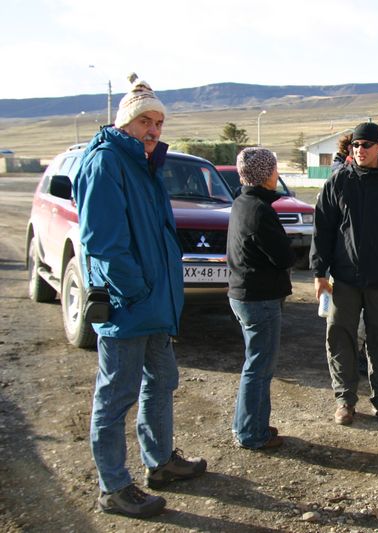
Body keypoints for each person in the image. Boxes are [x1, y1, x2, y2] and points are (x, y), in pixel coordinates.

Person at [72, 74, 206, 519]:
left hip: (154, 304)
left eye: (159, 123)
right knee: (116, 396)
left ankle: (160, 461)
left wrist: (158, 294)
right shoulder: (106, 163)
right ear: (125, 122)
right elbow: (104, 243)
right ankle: (113, 487)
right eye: (145, 121)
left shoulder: (145, 164)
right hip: (130, 305)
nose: (153, 131)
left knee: (163, 382)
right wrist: (135, 292)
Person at [311, 122, 378, 426]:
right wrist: (320, 272)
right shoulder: (338, 182)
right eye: (356, 145)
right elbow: (323, 230)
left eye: (367, 145)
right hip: (343, 280)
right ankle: (345, 400)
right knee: (340, 338)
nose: (360, 150)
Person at [227, 147, 294, 450]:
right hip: (259, 297)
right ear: (266, 174)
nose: (277, 175)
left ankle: (249, 425)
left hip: (246, 293)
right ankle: (252, 433)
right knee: (259, 366)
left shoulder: (243, 202)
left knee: (255, 364)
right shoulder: (258, 209)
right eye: (274, 169)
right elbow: (282, 256)